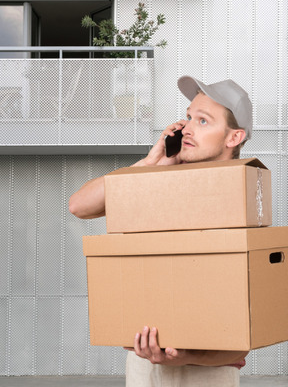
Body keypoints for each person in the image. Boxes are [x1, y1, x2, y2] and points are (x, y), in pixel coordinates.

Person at [69, 75, 253, 387]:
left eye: (204, 121)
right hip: (144, 368)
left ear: (233, 138)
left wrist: (187, 357)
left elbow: (242, 336)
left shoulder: (243, 197)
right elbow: (79, 206)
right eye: (188, 117)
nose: (188, 128)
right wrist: (150, 163)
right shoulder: (157, 182)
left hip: (209, 374)